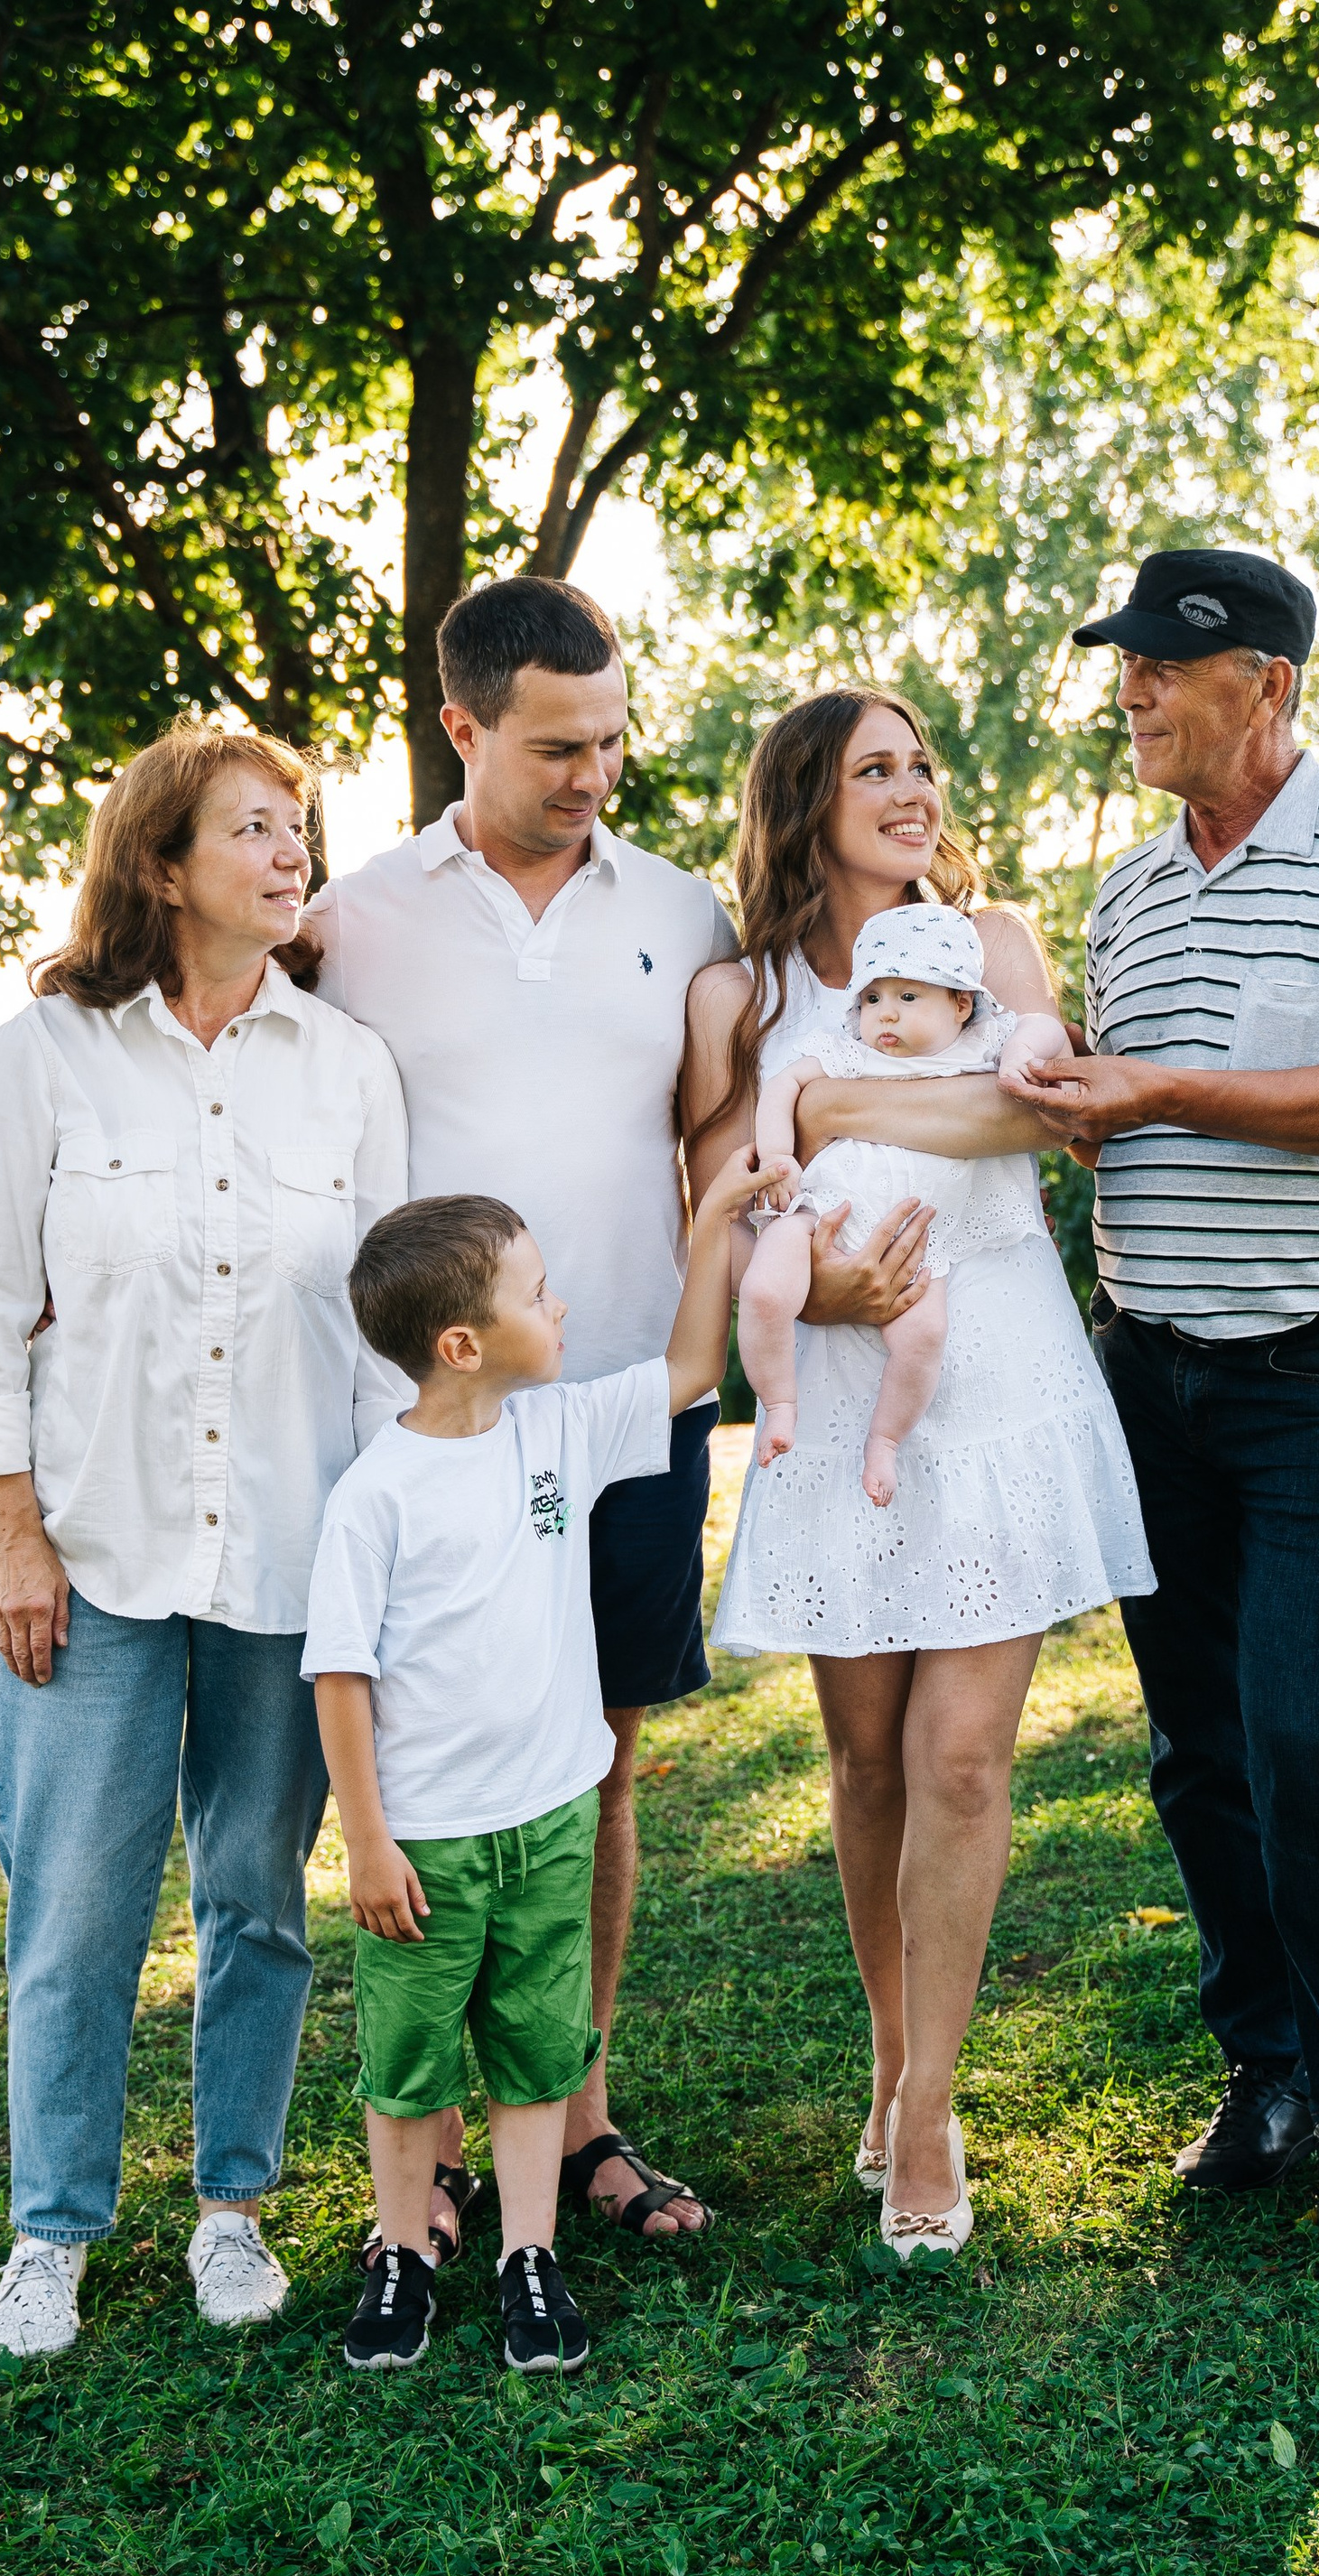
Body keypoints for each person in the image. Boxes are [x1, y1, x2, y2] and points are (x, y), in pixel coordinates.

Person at [305, 575, 927, 2250]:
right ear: (462, 726)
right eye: (559, 745)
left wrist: (815, 1271)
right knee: (438, 1776)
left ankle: (575, 2118)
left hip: (636, 1400)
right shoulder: (354, 916)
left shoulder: (680, 915)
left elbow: (729, 1155)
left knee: (601, 1765)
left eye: (614, 740)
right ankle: (423, 2158)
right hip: (431, 1433)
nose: (596, 773)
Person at [973, 545, 1319, 2241]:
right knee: (1200, 1749)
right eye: (1123, 660)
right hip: (1153, 1371)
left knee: (1303, 1732)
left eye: (1162, 661)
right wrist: (1071, 1108)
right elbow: (1127, 1112)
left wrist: (1164, 1086)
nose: (1128, 685)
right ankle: (1264, 2067)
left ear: (1266, 681)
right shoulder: (1129, 890)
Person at [0, 725, 408, 2361]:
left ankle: (233, 2209)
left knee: (261, 1890)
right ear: (159, 860)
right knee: (72, 1907)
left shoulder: (347, 1067)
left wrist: (391, 1548)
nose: (290, 853)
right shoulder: (43, 1055)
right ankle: (49, 2229)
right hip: (96, 1549)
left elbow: (386, 1335)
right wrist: (11, 1531)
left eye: (302, 829)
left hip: (288, 1549)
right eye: (253, 827)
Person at [691, 690, 1152, 2260]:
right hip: (836, 1388)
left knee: (962, 1758)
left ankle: (935, 2102)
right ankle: (888, 2054)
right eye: (874, 767)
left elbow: (1046, 1111)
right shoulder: (738, 993)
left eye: (922, 764)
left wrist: (838, 1104)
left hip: (1003, 1371)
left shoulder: (994, 939)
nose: (911, 788)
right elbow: (732, 1196)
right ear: (804, 796)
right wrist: (810, 1260)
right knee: (870, 1756)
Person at [305, 1151, 769, 2375]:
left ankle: (528, 2254)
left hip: (555, 1821)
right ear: (463, 1342)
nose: (560, 1307)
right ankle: (404, 2254)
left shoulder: (559, 1428)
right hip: (428, 1846)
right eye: (538, 1290)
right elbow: (340, 1676)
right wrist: (365, 1837)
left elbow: (687, 1372)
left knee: (536, 2048)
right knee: (407, 2067)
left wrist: (714, 1217)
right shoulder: (378, 1496)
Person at [740, 902, 1071, 1503]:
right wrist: (778, 1154)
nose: (884, 1013)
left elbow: (1046, 1031)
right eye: (872, 998)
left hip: (922, 1238)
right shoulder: (851, 1051)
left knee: (923, 1335)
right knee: (765, 1289)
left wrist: (1026, 1045)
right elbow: (784, 1083)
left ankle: (885, 1440)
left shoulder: (978, 1046)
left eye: (908, 997)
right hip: (824, 1212)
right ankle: (780, 1400)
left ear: (960, 1004)